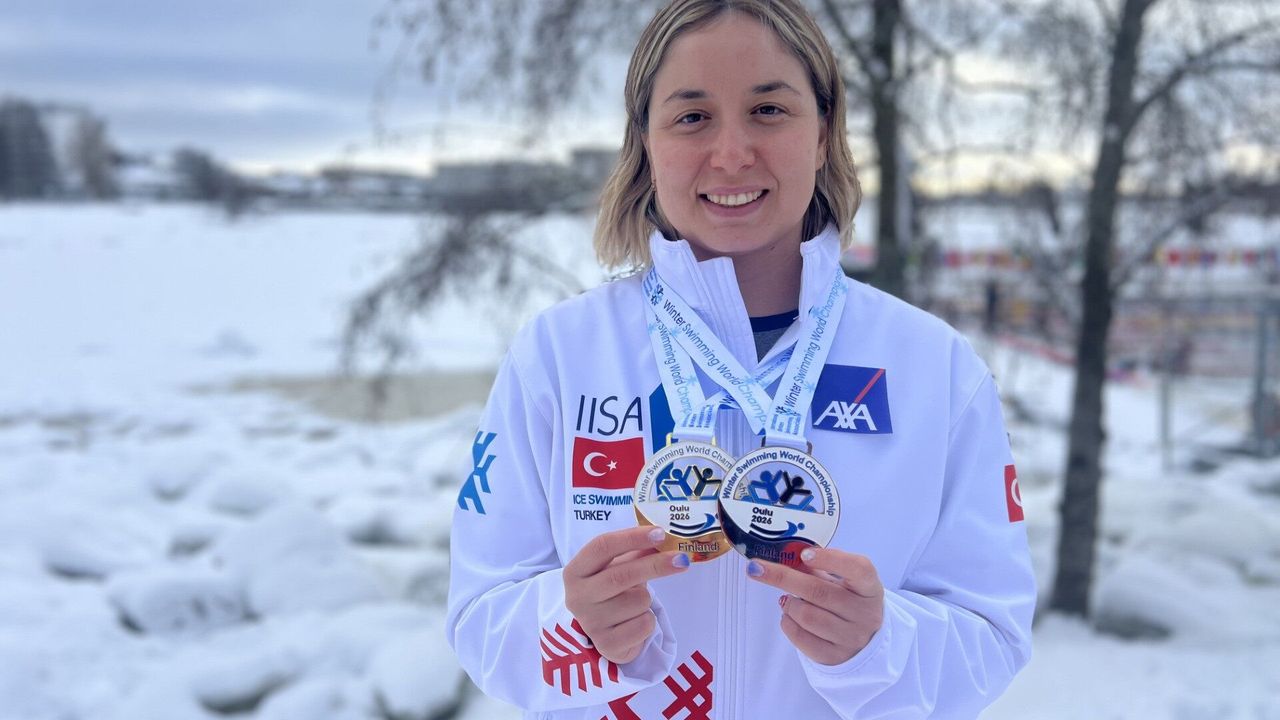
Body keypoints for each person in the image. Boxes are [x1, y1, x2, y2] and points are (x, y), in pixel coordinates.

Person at [446, 1, 1036, 717]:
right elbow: (480, 616)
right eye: (693, 117)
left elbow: (993, 633)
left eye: (768, 110)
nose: (731, 154)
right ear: (646, 142)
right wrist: (576, 626)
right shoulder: (560, 355)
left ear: (823, 134)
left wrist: (879, 644)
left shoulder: (932, 368)